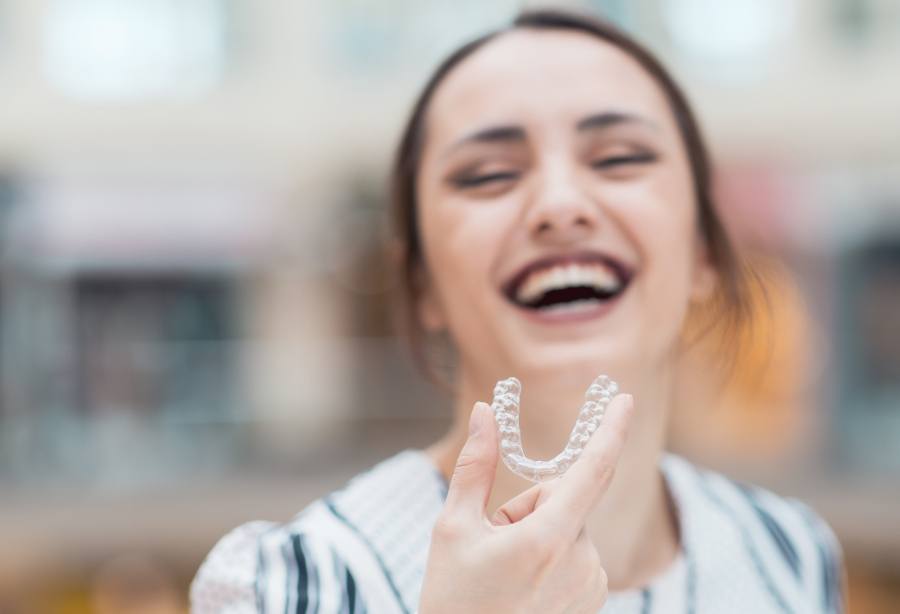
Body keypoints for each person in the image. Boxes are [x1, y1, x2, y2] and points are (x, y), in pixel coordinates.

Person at [191, 9, 846, 613]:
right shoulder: (291, 585)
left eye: (619, 158)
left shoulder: (790, 554)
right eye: (487, 174)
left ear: (704, 249)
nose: (560, 205)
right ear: (422, 285)